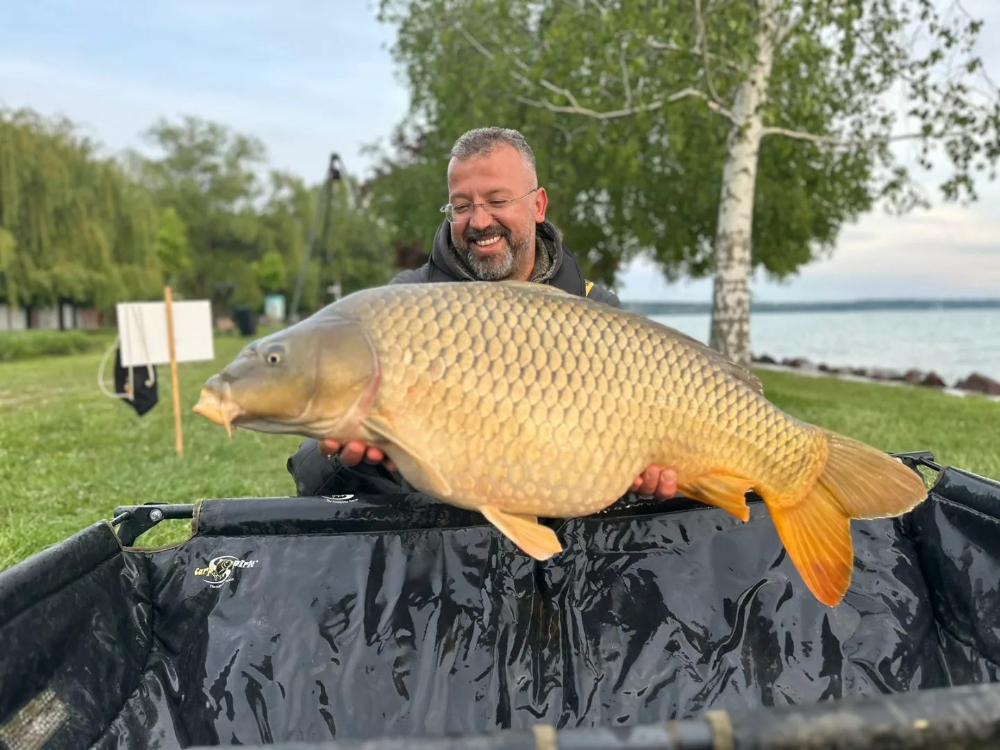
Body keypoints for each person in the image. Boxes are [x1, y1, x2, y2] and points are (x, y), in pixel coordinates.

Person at [286, 127, 678, 503]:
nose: (479, 221)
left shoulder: (596, 309)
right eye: (462, 206)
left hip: (558, 519)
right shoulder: (407, 304)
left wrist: (643, 477)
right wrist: (370, 459)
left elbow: (628, 452)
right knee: (318, 459)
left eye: (497, 201)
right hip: (445, 537)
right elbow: (321, 470)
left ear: (538, 205)